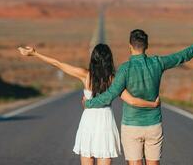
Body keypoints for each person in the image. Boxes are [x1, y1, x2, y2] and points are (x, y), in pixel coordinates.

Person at [84, 29, 193, 165]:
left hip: (132, 126)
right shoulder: (157, 63)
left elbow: (110, 95)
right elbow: (183, 56)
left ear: (129, 46)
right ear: (147, 46)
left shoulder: (125, 69)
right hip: (154, 125)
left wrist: (89, 103)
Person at [18, 44, 160, 165]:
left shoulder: (85, 75)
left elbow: (58, 64)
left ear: (93, 59)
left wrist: (35, 53)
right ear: (109, 60)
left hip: (88, 124)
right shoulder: (113, 80)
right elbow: (132, 100)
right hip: (105, 124)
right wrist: (152, 104)